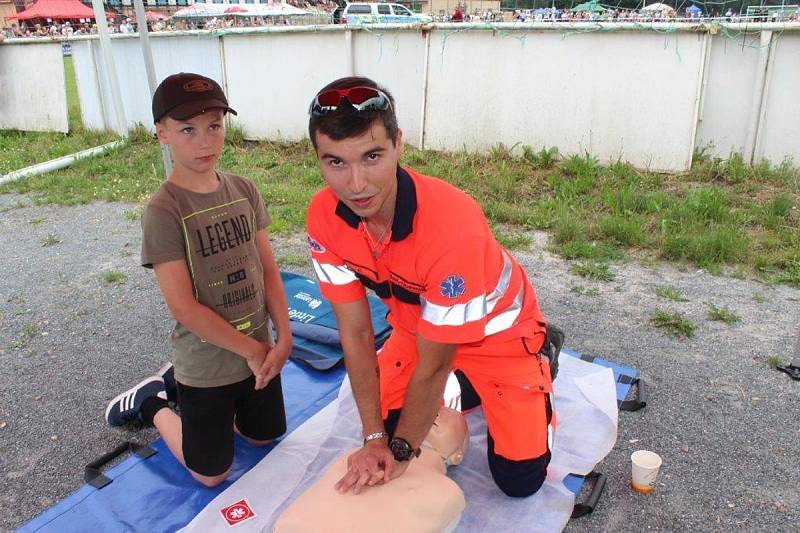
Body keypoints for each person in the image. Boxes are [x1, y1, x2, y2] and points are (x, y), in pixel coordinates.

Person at [305, 76, 557, 498]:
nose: (355, 184)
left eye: (371, 157)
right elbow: (356, 332)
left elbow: (435, 365)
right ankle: (468, 387)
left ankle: (543, 354)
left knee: (520, 481)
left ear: (398, 144)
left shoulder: (453, 229)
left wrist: (401, 451)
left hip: (501, 338)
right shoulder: (323, 217)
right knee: (386, 429)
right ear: (317, 158)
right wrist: (373, 440)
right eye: (335, 163)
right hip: (418, 329)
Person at [103, 73, 292, 487]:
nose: (205, 142)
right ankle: (153, 400)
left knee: (264, 438)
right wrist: (254, 349)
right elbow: (183, 306)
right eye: (188, 129)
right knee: (211, 475)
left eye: (214, 126)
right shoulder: (164, 210)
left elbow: (271, 271)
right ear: (161, 134)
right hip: (208, 361)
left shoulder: (244, 190)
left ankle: (204, 404)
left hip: (257, 352)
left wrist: (285, 337)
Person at [274, 407, 469, 532]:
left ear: (457, 455)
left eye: (447, 415)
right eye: (437, 408)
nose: (436, 411)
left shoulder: (447, 493)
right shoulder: (358, 458)